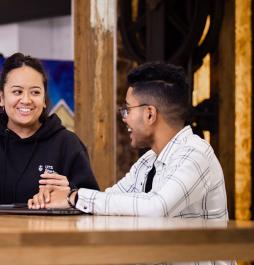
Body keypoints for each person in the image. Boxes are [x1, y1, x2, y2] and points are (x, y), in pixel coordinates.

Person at [29, 62, 229, 220]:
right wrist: (68, 195)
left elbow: (156, 207)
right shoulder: (147, 162)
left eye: (127, 109)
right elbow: (111, 199)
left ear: (150, 114)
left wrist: (75, 197)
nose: (124, 117)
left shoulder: (196, 154)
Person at [0, 52, 99, 210]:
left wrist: (70, 193)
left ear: (44, 99)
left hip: (47, 236)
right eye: (17, 91)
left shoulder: (67, 144)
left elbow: (93, 204)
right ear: (2, 97)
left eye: (35, 92)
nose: (26, 100)